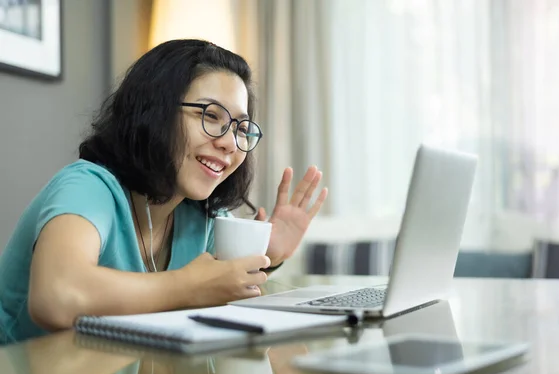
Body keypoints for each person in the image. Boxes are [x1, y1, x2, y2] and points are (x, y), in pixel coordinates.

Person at [0, 39, 328, 345]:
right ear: (154, 112)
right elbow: (56, 298)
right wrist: (190, 286)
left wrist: (268, 256)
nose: (229, 142)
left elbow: (226, 288)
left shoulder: (202, 215)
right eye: (211, 116)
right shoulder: (88, 187)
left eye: (242, 128)